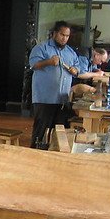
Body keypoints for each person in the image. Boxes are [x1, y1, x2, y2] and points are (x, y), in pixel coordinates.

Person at [28, 21, 81, 149]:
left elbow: (78, 68)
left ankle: (54, 157)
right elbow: (33, 65)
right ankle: (34, 154)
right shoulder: (41, 48)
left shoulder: (70, 52)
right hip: (44, 98)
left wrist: (75, 70)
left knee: (60, 133)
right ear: (54, 33)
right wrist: (49, 62)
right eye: (62, 34)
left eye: (67, 36)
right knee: (40, 132)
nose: (64, 38)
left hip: (62, 99)